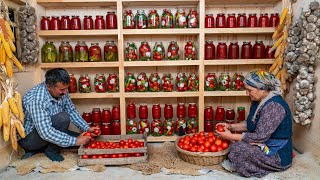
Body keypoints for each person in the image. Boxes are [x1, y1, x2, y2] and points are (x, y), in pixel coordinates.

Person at [216, 69, 292, 178]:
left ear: (262, 89)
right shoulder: (258, 101)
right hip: (263, 144)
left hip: (276, 153)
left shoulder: (274, 106)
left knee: (238, 149)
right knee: (235, 147)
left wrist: (231, 136)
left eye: (249, 90)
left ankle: (269, 167)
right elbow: (251, 124)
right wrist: (230, 126)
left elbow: (260, 136)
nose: (246, 93)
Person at [19, 68, 99, 162]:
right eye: (62, 89)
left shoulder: (62, 90)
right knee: (64, 119)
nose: (65, 92)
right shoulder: (36, 100)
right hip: (31, 139)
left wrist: (87, 128)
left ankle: (44, 148)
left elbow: (71, 110)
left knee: (84, 139)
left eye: (66, 88)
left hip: (48, 130)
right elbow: (46, 132)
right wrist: (75, 141)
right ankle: (50, 151)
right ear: (49, 86)